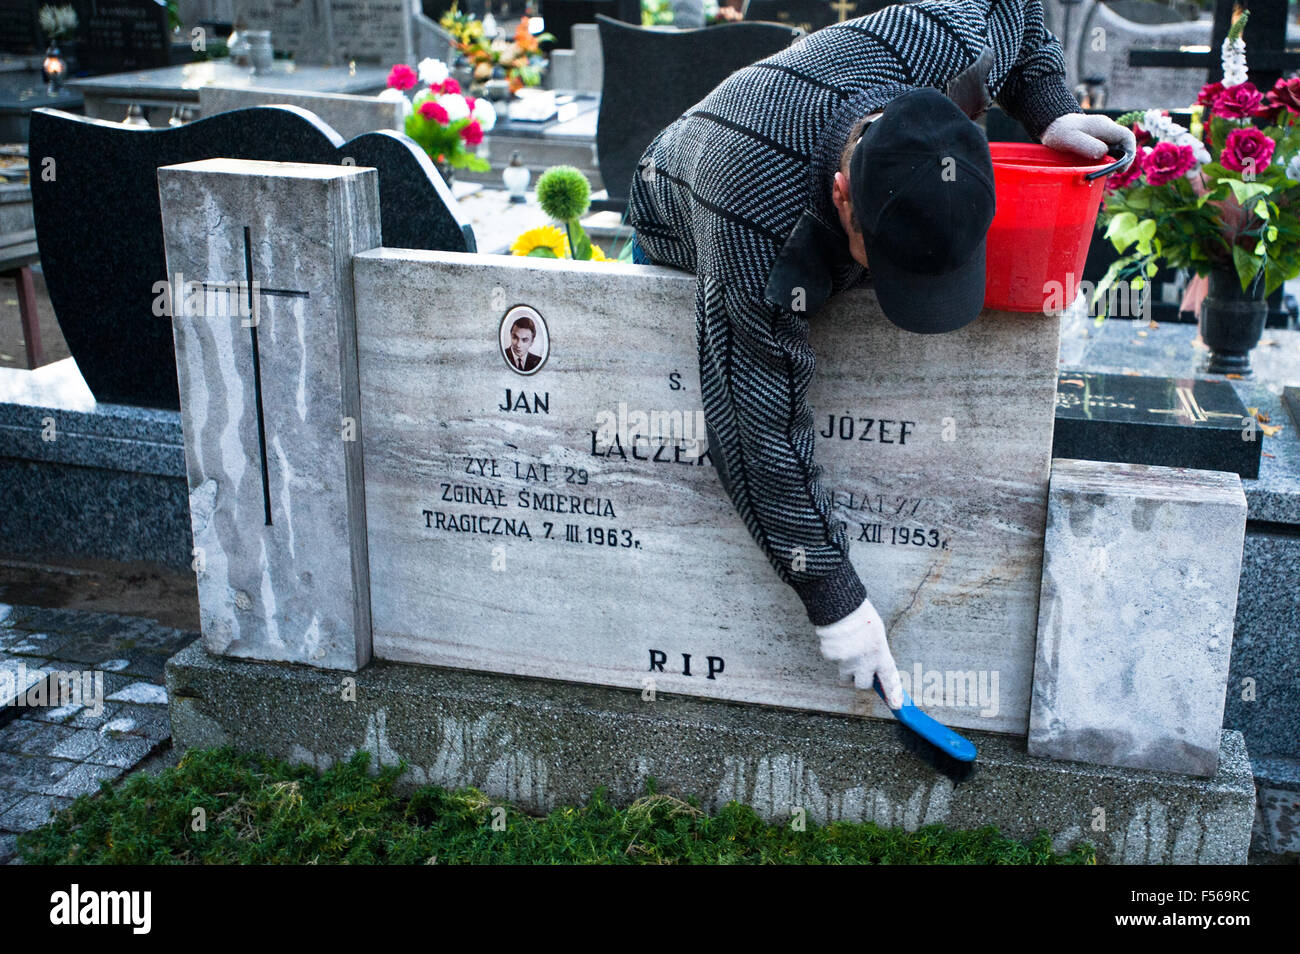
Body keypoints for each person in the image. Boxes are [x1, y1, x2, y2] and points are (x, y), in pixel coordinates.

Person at [626, 1, 1135, 708]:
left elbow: (1018, 10)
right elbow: (752, 431)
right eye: (893, 269)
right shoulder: (754, 222)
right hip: (679, 201)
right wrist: (836, 601)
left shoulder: (957, 36)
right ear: (842, 198)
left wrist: (1049, 112)